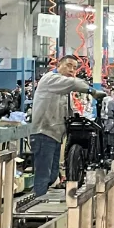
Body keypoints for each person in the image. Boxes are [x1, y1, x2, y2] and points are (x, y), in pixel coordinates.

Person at [29, 55, 98, 196]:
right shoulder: (50, 79)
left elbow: (69, 109)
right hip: (43, 133)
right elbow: (73, 83)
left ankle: (40, 196)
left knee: (52, 175)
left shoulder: (63, 88)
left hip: (55, 135)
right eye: (68, 65)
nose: (72, 70)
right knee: (43, 175)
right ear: (58, 66)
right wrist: (92, 91)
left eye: (75, 67)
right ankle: (38, 201)